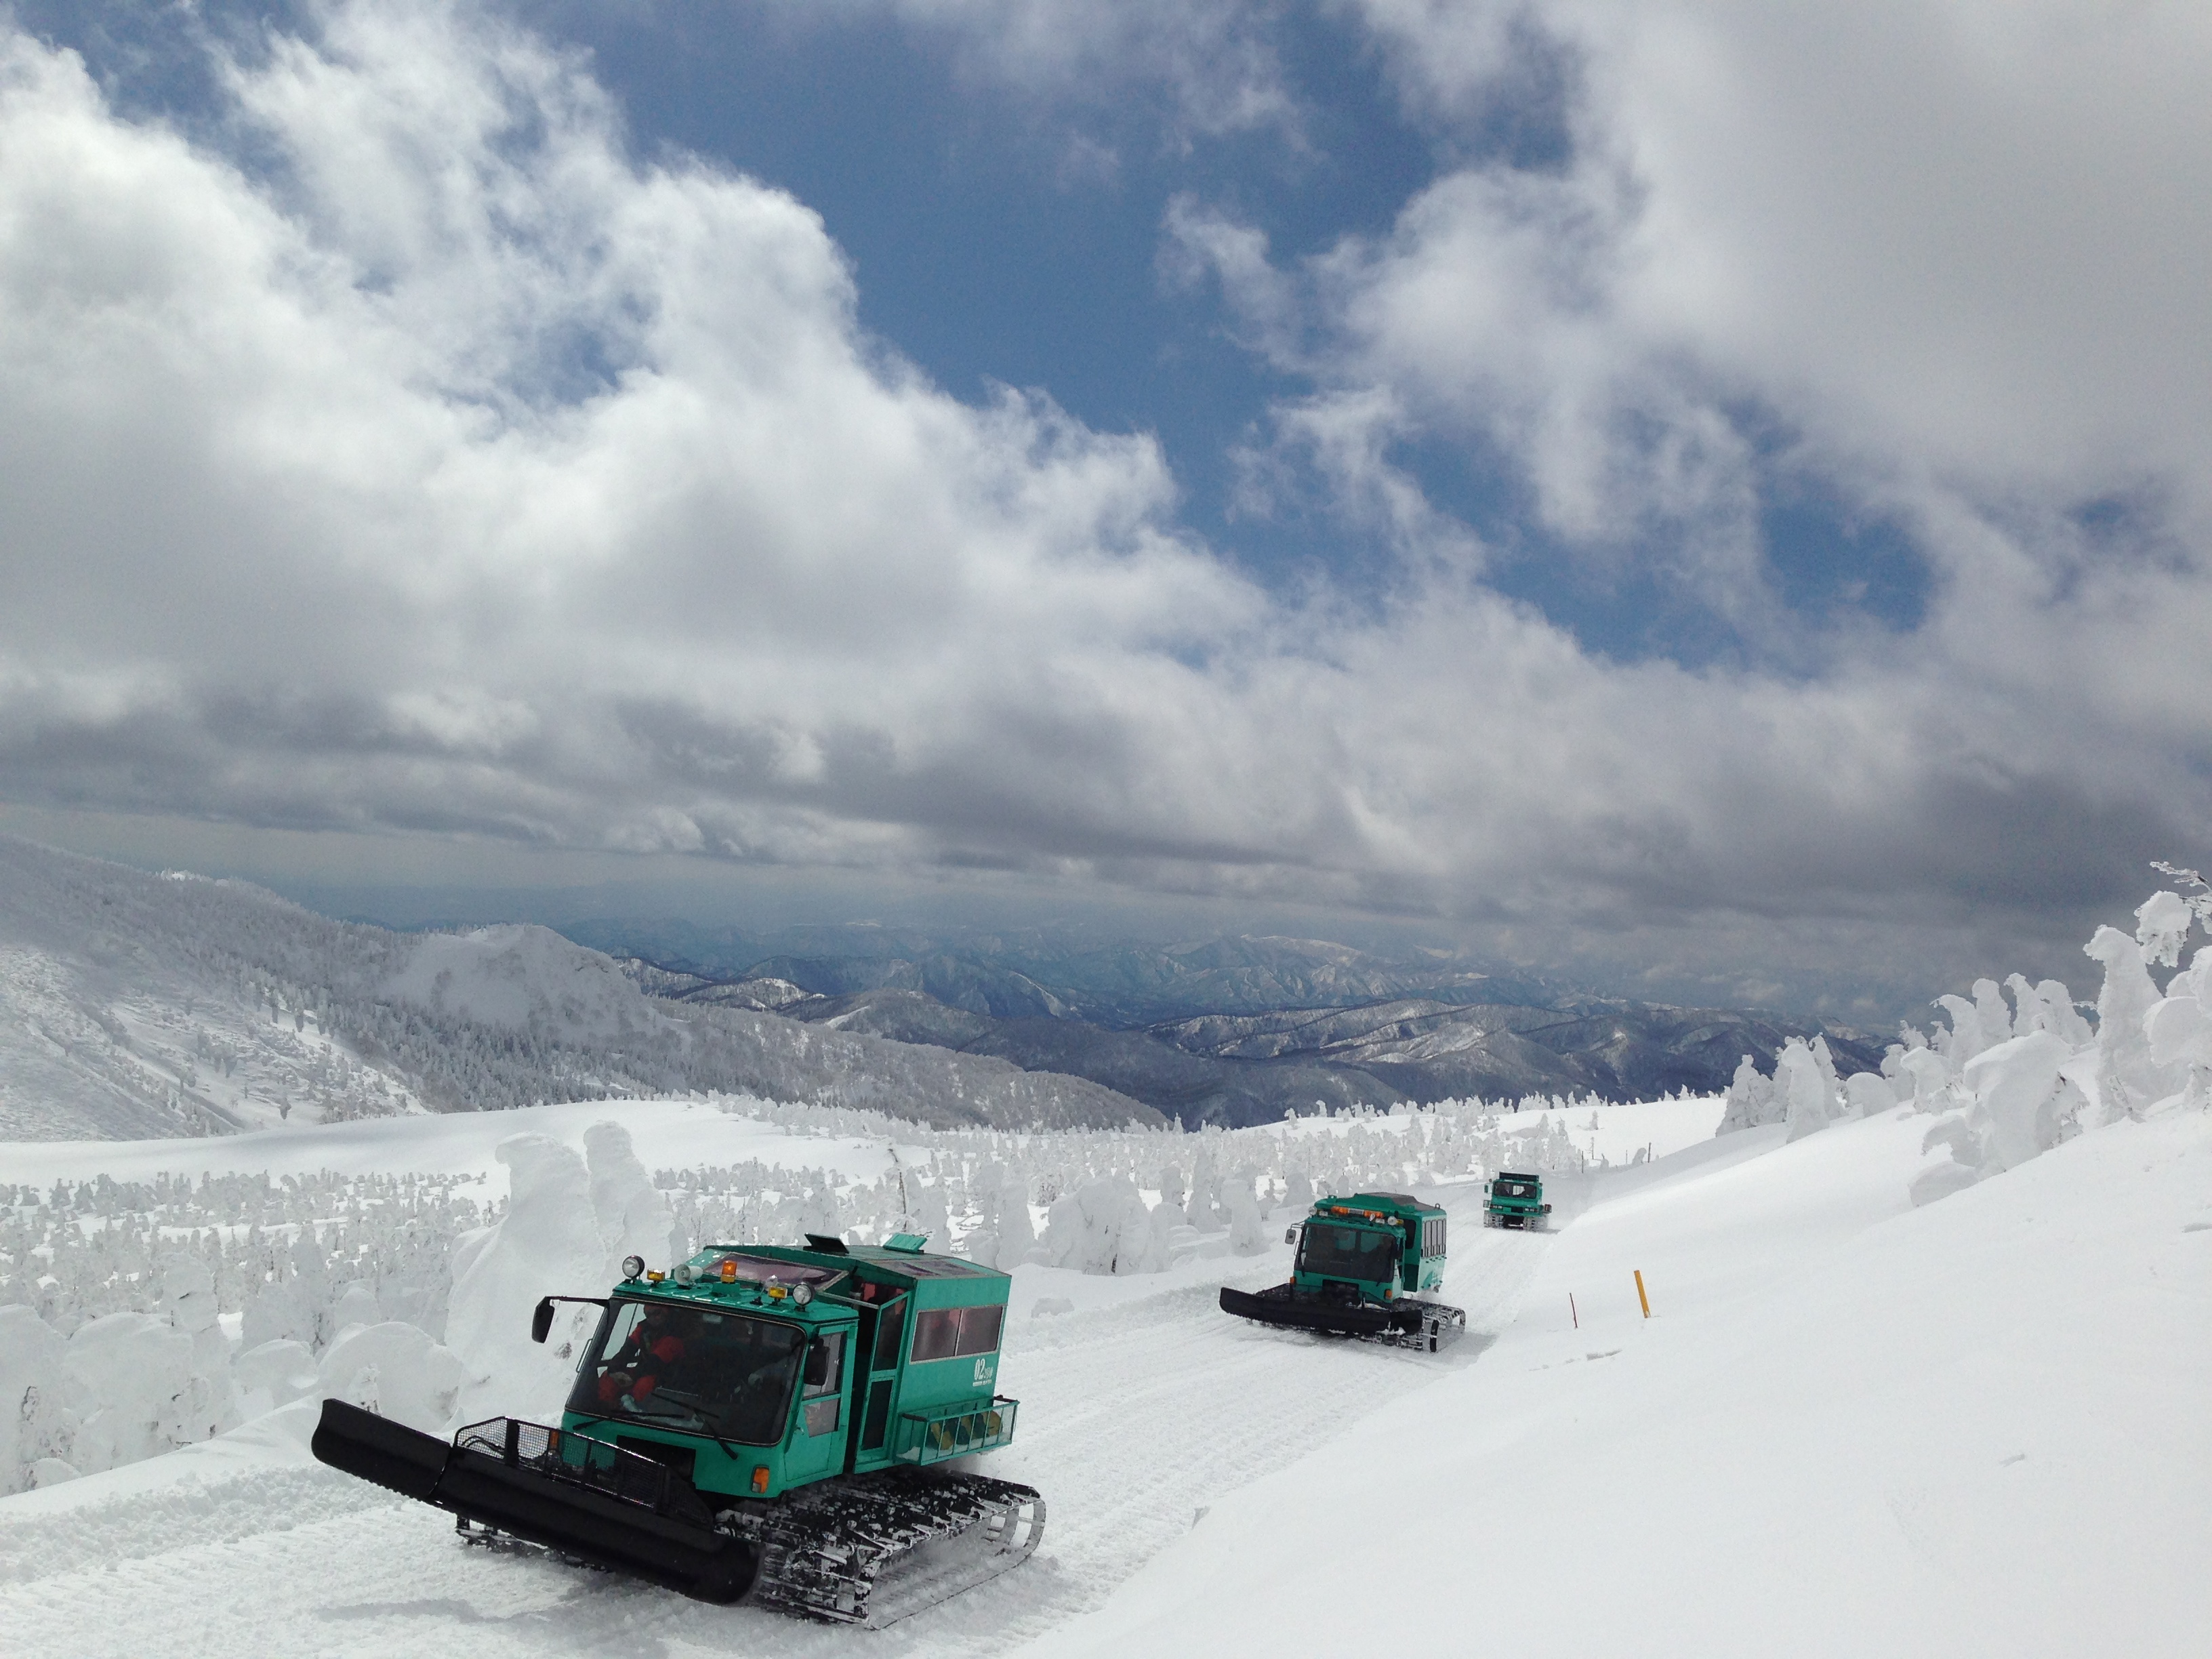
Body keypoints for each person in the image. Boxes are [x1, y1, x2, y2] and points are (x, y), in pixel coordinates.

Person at [597, 1304, 686, 1409]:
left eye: (657, 1313)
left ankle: (633, 1415)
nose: (652, 1318)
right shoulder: (644, 1329)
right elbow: (627, 1350)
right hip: (645, 1371)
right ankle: (604, 1411)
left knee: (644, 1386)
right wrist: (614, 1369)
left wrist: (631, 1377)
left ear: (667, 1312)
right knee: (608, 1378)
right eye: (648, 1315)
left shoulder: (676, 1334)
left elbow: (654, 1363)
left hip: (670, 1378)